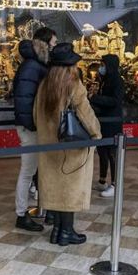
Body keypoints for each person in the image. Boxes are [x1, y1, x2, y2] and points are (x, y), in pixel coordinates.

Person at [34, 43, 101, 246]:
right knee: (70, 188)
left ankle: (57, 230)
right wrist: (97, 135)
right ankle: (67, 232)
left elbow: (35, 116)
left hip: (48, 146)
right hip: (71, 146)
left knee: (56, 187)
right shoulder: (73, 83)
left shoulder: (44, 84)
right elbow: (85, 113)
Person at [12, 27, 57, 231]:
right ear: (45, 44)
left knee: (39, 170)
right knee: (28, 171)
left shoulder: (36, 64)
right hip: (31, 127)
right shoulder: (32, 66)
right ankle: (21, 215)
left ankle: (45, 210)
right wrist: (33, 125)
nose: (55, 46)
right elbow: (23, 99)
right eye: (53, 43)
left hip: (37, 126)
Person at [90, 54, 124, 199]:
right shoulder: (105, 80)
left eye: (103, 64)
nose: (101, 67)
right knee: (102, 150)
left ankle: (116, 184)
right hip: (102, 120)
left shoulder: (117, 81)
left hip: (112, 121)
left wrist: (95, 98)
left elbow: (115, 101)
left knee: (112, 153)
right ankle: (102, 180)